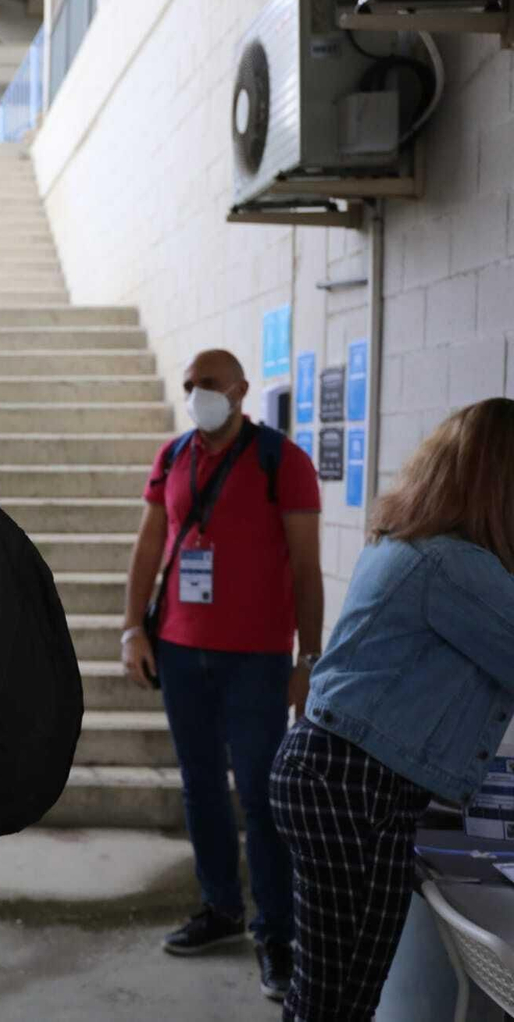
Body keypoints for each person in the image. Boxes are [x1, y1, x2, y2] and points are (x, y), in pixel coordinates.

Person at [270, 398, 514, 1022]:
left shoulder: (415, 544)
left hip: (339, 777)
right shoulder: (452, 565)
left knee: (343, 996)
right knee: (334, 999)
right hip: (352, 786)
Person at [118, 348, 323, 1001]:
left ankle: (278, 932)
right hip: (180, 651)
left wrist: (308, 658)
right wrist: (131, 630)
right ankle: (221, 908)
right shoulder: (173, 457)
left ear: (239, 389)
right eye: (188, 386)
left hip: (257, 660)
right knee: (201, 787)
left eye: (208, 384)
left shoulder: (279, 460)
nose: (196, 394)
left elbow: (306, 568)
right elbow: (150, 544)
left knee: (262, 795)